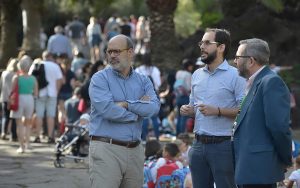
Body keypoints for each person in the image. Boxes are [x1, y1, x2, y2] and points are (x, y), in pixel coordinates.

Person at [88, 34, 160, 188]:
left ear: (130, 52)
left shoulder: (144, 80)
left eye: (116, 51)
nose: (112, 56)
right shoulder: (100, 79)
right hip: (107, 149)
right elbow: (108, 110)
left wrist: (126, 104)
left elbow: (153, 108)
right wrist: (138, 112)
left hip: (135, 151)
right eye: (109, 52)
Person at [180, 28, 246, 188]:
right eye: (201, 42)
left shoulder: (236, 75)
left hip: (223, 146)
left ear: (221, 47)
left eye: (207, 43)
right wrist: (190, 111)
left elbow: (244, 111)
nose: (202, 46)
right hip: (197, 145)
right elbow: (195, 108)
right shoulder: (196, 75)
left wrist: (217, 111)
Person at [232, 38, 292, 187]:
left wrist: (285, 159)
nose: (235, 61)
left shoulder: (271, 82)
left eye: (238, 57)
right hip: (250, 169)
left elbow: (278, 127)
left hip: (260, 171)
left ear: (251, 61)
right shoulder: (255, 82)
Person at [10, 55, 38, 153]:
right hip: (29, 99)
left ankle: (21, 146)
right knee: (28, 123)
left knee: (19, 124)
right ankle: (28, 144)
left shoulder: (16, 77)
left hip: (19, 99)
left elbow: (12, 91)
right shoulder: (33, 78)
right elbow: (36, 93)